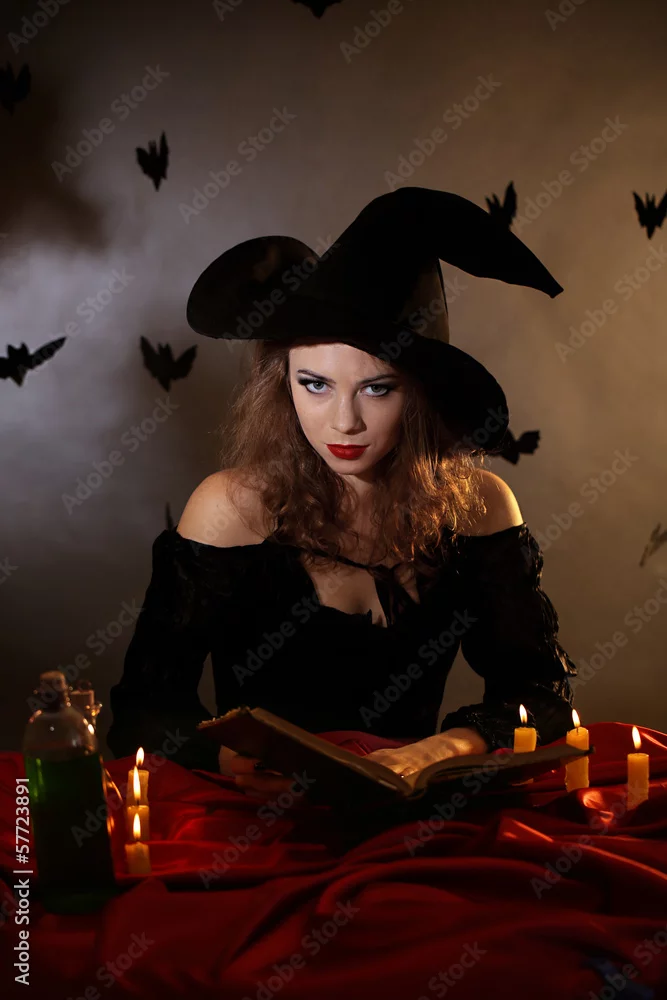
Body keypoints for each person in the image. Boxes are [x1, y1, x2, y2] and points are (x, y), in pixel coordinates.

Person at [106, 187, 578, 802]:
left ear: (420, 393)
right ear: (282, 384)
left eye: (378, 389)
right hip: (260, 818)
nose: (344, 422)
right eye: (315, 384)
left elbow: (540, 696)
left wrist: (442, 749)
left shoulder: (478, 505)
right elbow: (143, 711)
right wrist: (227, 757)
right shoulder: (230, 508)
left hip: (415, 812)